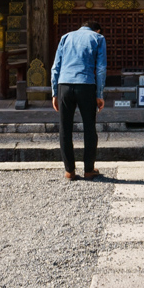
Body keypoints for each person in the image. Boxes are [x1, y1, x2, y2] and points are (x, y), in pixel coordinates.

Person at [50, 20, 106, 180]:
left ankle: (69, 170)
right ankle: (89, 169)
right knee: (89, 127)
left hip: (64, 85)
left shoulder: (65, 37)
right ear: (98, 29)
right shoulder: (98, 38)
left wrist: (54, 92)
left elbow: (56, 66)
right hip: (86, 84)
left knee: (65, 128)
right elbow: (101, 68)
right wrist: (99, 94)